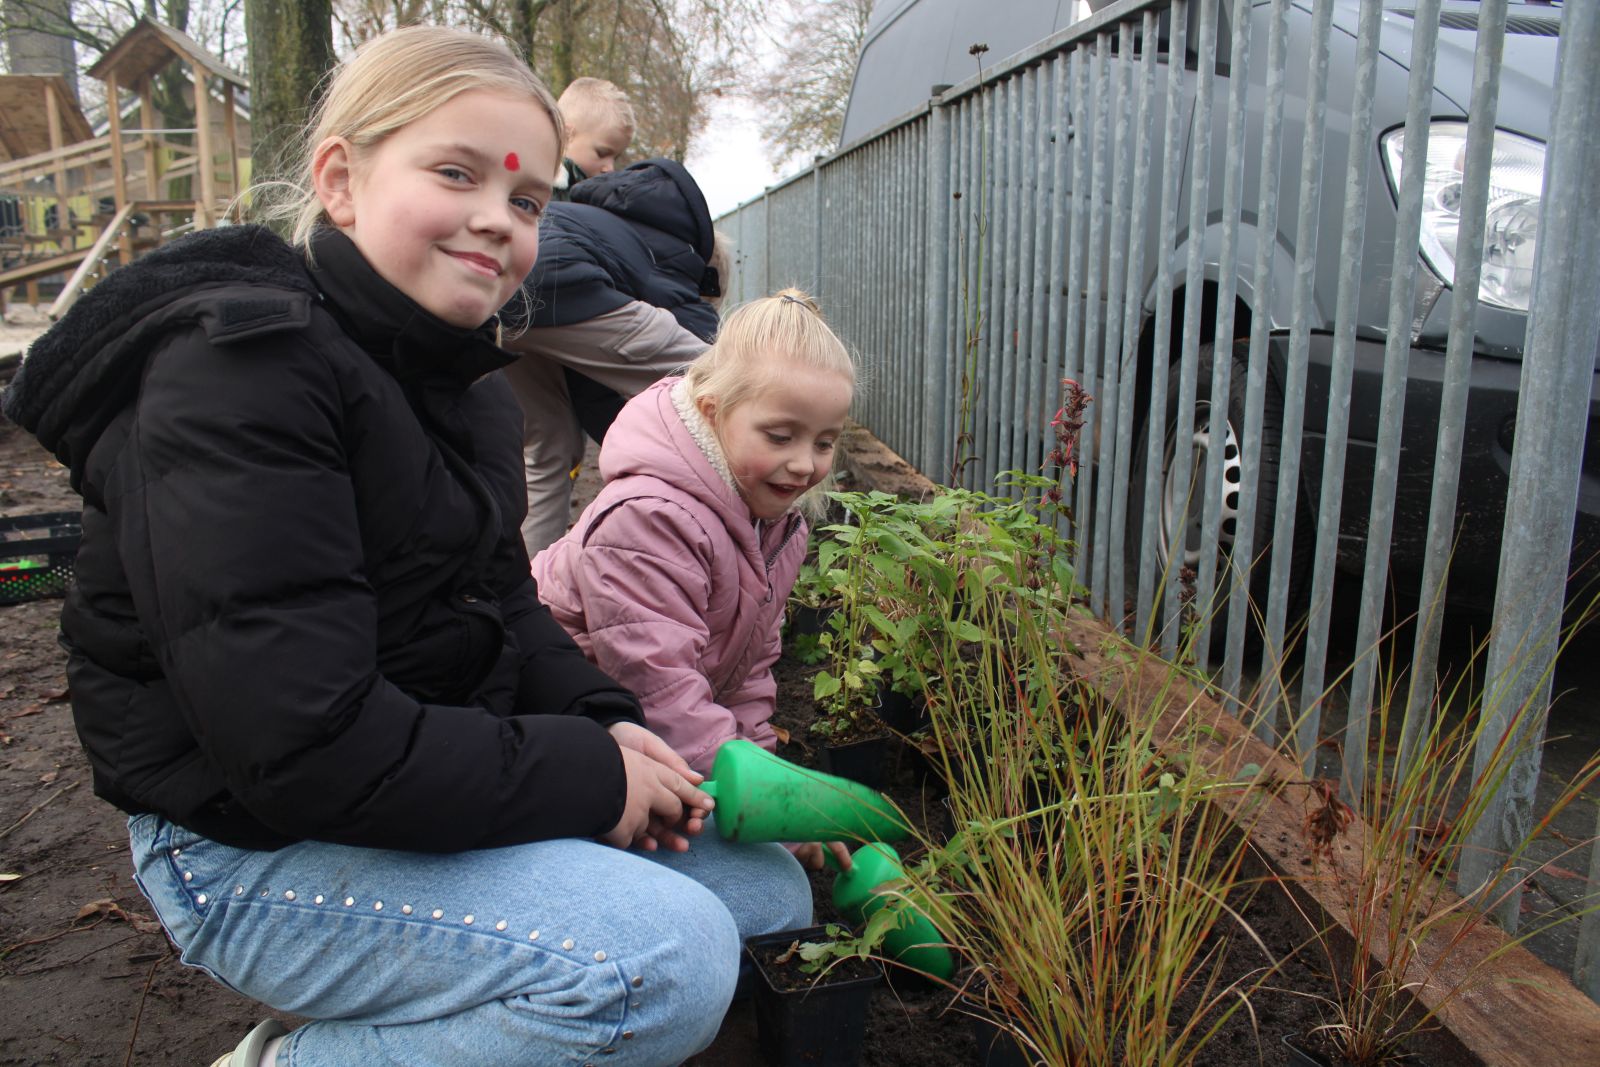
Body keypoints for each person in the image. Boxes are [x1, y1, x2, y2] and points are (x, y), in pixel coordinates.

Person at [0, 26, 811, 1067]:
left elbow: (505, 612)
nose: (496, 219)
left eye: (526, 201)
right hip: (248, 842)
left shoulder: (456, 386)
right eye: (455, 172)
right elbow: (303, 746)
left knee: (763, 890)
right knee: (660, 960)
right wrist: (584, 775)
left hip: (399, 771)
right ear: (340, 179)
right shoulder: (238, 377)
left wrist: (603, 718)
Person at [532, 289, 856, 872]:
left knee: (772, 881)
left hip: (650, 728)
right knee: (763, 889)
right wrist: (769, 804)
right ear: (712, 412)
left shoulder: (775, 527)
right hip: (565, 727)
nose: (805, 463)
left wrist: (769, 781)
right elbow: (657, 687)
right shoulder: (649, 519)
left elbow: (748, 673)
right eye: (780, 437)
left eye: (824, 441)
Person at [502, 157, 724, 555]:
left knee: (549, 445)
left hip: (506, 289)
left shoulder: (596, 222)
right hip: (560, 280)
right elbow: (692, 351)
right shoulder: (675, 260)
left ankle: (527, 588)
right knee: (724, 378)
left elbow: (594, 388)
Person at [553, 76, 634, 198]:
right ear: (566, 136)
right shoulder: (540, 183)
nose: (610, 168)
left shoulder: (603, 196)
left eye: (615, 159)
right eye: (601, 153)